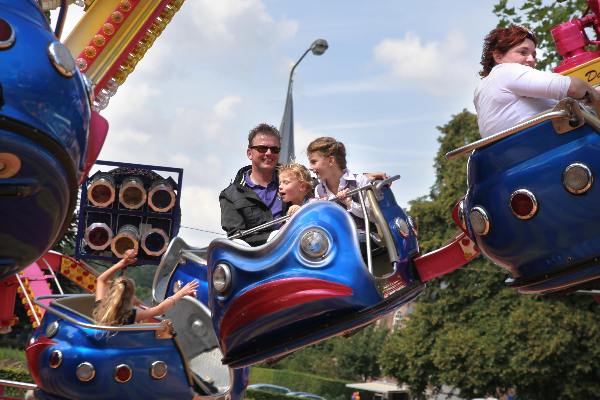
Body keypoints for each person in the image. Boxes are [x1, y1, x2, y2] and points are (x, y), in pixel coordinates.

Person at [474, 24, 600, 138]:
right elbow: (573, 88)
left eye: (534, 55)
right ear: (498, 57)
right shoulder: (505, 71)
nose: (531, 59)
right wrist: (594, 94)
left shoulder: (481, 90)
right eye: (523, 52)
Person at [219, 123, 288, 246]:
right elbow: (237, 238)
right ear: (249, 153)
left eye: (274, 149)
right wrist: (274, 237)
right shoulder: (230, 195)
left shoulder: (295, 182)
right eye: (262, 148)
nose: (269, 153)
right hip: (255, 261)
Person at [93, 249, 198, 326]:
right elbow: (159, 310)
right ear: (129, 297)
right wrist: (181, 293)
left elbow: (101, 280)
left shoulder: (100, 307)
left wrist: (122, 263)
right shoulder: (128, 316)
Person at [306, 137, 375, 227]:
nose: (310, 167)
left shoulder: (359, 181)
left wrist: (350, 203)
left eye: (314, 162)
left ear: (330, 160)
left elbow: (374, 216)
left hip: (361, 238)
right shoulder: (319, 189)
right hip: (334, 238)